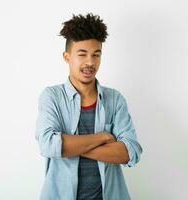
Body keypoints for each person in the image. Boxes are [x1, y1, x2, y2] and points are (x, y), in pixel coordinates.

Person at [35, 13, 143, 200]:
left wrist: (70, 146)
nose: (90, 62)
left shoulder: (115, 99)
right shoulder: (51, 97)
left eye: (96, 55)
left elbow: (130, 152)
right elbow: (48, 145)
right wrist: (103, 137)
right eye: (82, 54)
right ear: (67, 57)